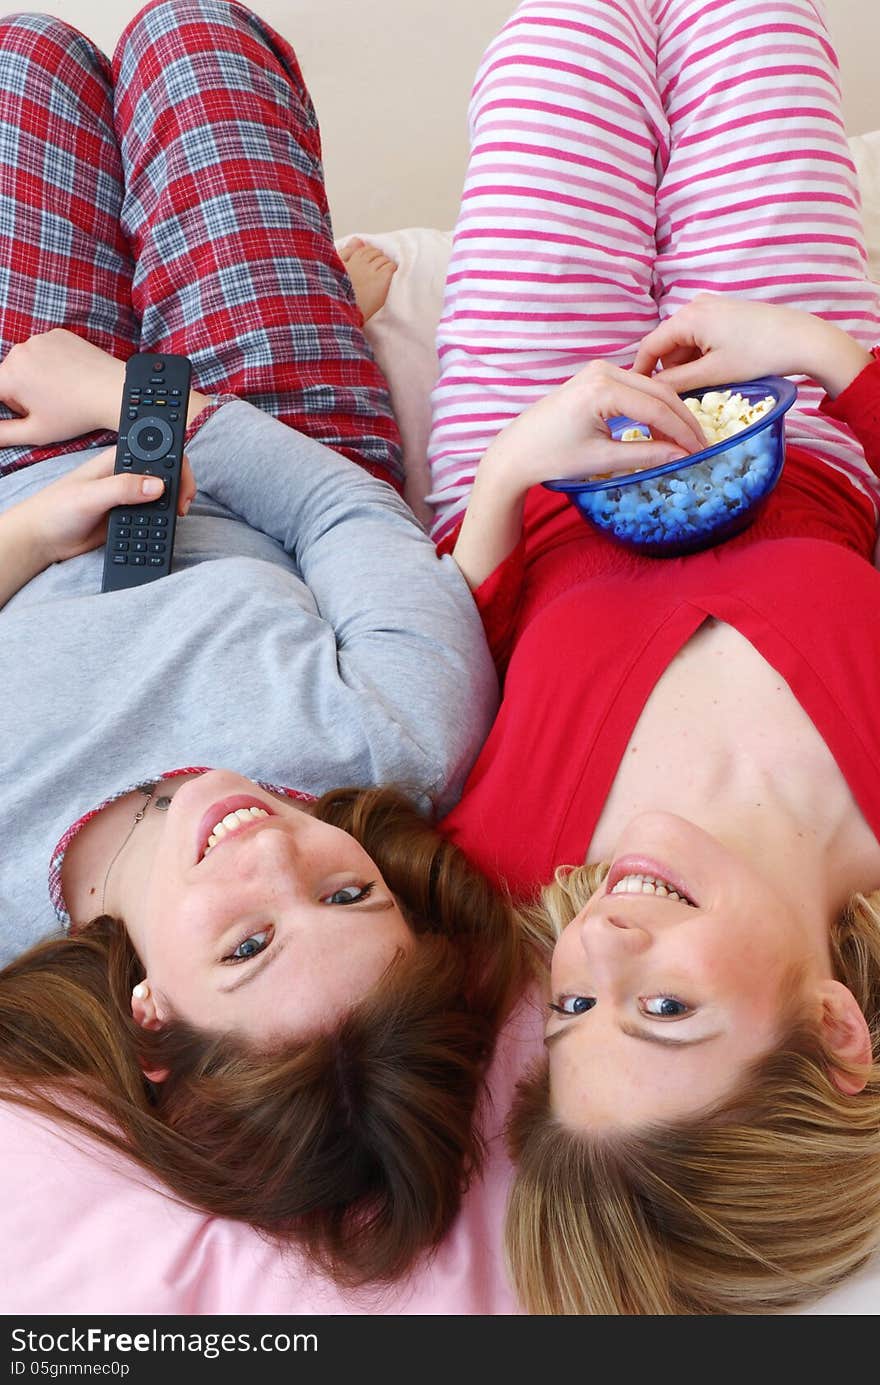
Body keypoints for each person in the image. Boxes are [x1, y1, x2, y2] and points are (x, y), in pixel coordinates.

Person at [0, 0, 525, 1288]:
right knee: (192, 38)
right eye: (349, 896)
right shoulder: (394, 742)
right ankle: (309, 301)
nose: (274, 851)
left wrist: (31, 537)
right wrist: (141, 400)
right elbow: (345, 507)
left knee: (25, 60)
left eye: (246, 944)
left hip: (14, 472)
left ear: (155, 1026)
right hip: (267, 434)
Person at [429, 0, 880, 1313]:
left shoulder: (512, 869)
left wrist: (514, 469)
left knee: (555, 37)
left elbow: (434, 645)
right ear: (838, 1035)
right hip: (793, 415)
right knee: (759, 24)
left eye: (571, 1016)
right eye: (664, 1009)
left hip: (538, 429)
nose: (604, 945)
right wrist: (825, 357)